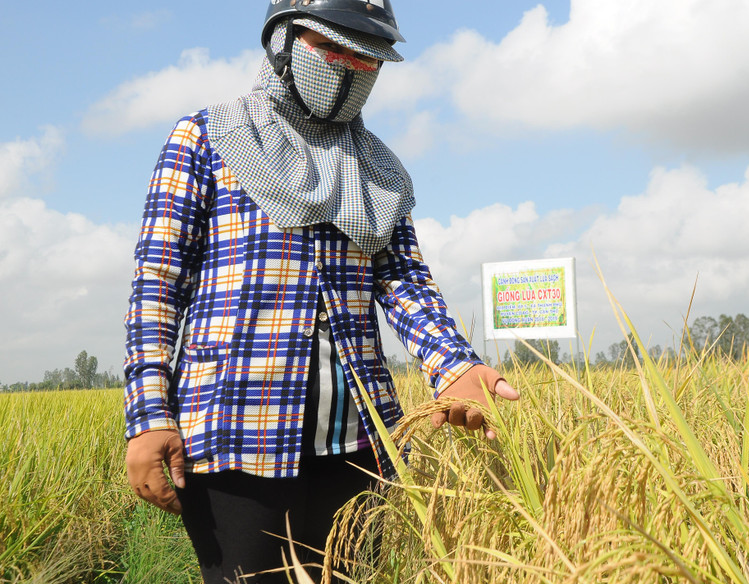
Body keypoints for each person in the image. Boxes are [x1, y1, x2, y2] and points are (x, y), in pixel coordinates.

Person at [122, 1, 519, 582]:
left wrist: (454, 365)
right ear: (282, 41)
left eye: (367, 58)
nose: (349, 68)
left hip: (358, 444)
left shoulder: (378, 170)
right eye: (330, 48)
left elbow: (405, 280)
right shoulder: (209, 138)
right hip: (237, 436)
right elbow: (158, 285)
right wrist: (149, 416)